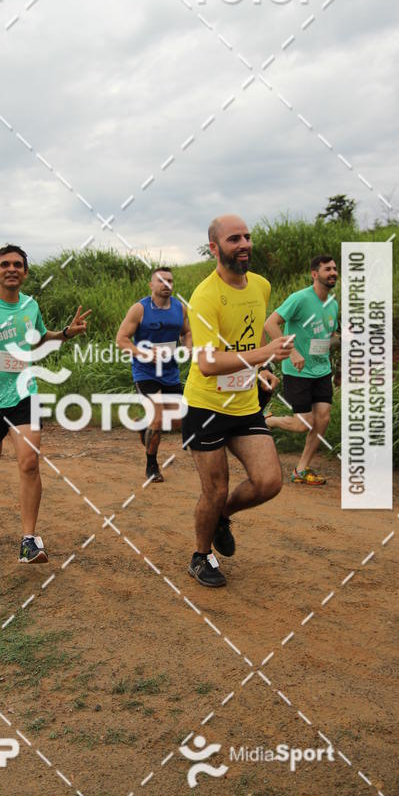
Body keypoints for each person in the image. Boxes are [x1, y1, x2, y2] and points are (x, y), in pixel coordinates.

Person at [0, 244, 91, 563]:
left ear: (25, 272)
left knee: (29, 462)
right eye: (5, 264)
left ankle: (28, 541)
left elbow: (38, 338)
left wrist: (65, 333)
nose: (11, 269)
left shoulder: (30, 305)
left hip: (24, 394)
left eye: (18, 265)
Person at [182, 214, 292, 588]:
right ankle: (200, 557)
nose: (244, 243)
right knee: (214, 489)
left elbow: (247, 338)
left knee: (269, 481)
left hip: (244, 404)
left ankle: (220, 516)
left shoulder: (261, 285)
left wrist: (261, 370)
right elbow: (207, 363)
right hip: (206, 407)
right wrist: (264, 354)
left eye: (247, 236)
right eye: (234, 239)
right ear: (214, 248)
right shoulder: (205, 296)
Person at [264, 255, 339, 485]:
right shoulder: (300, 298)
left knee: (323, 418)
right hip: (298, 371)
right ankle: (267, 420)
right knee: (302, 424)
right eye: (327, 269)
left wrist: (343, 339)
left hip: (322, 370)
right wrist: (293, 352)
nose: (333, 272)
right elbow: (270, 324)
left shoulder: (333, 304)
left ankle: (301, 469)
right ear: (314, 274)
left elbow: (330, 336)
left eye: (335, 268)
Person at [116, 267, 192, 482]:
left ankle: (143, 424)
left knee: (178, 420)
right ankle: (152, 466)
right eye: (161, 280)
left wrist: (187, 347)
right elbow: (121, 340)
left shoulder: (180, 308)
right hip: (145, 372)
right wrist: (145, 354)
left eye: (170, 280)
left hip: (170, 372)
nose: (166, 284)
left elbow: (186, 332)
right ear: (151, 285)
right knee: (157, 419)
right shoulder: (139, 309)